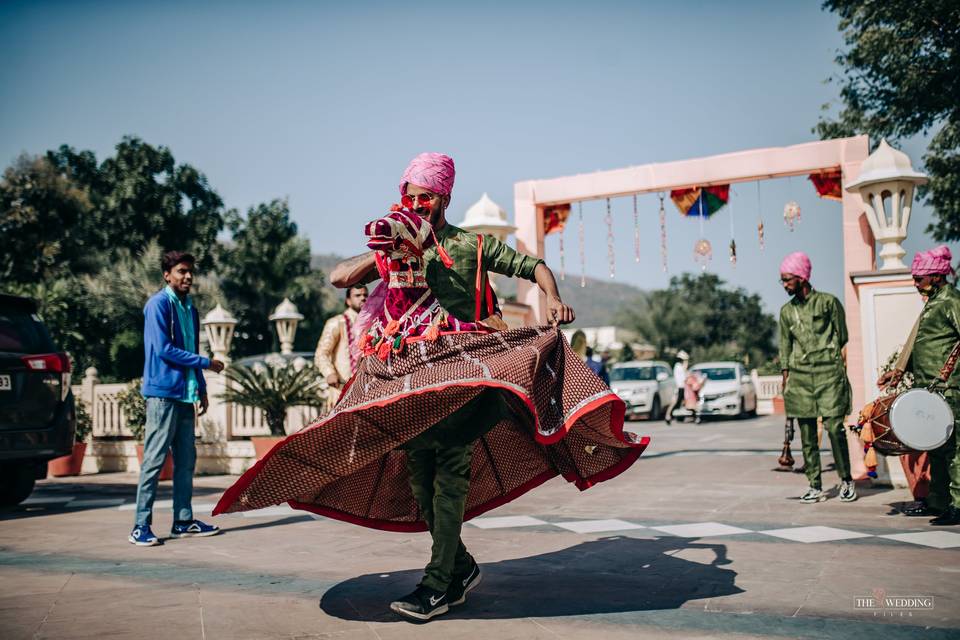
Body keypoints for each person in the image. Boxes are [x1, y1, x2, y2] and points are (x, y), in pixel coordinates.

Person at [213, 152, 646, 622]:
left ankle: (438, 584)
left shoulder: (471, 245)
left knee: (449, 468)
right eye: (410, 196)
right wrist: (390, 245)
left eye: (426, 197)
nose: (417, 203)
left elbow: (534, 267)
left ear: (445, 198)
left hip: (463, 374)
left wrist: (555, 299)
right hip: (413, 376)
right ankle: (459, 566)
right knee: (419, 474)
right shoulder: (398, 245)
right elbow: (339, 276)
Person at [129, 251, 225, 546]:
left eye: (190, 272)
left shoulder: (190, 309)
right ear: (167, 274)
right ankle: (140, 526)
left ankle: (183, 520)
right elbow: (164, 349)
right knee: (155, 460)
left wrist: (203, 389)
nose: (188, 277)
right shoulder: (158, 305)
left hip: (185, 395)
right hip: (162, 395)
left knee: (186, 461)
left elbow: (189, 346)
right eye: (182, 271)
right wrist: (205, 363)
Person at [878, 246, 960, 526]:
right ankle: (938, 501)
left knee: (954, 448)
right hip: (931, 390)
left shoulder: (951, 300)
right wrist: (899, 371)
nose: (915, 284)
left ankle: (958, 505)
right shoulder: (934, 303)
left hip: (950, 389)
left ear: (936, 276)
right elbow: (919, 344)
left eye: (919, 279)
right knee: (936, 446)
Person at [778, 251, 856, 504]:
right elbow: (785, 347)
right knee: (808, 434)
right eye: (782, 280)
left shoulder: (828, 303)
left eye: (788, 279)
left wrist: (829, 354)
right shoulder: (786, 312)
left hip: (829, 374)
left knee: (834, 428)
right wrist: (786, 378)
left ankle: (846, 480)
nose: (785, 284)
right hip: (800, 378)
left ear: (802, 277)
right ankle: (815, 485)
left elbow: (841, 335)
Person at [315, 285, 368, 409]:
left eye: (365, 295)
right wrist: (329, 373)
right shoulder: (336, 323)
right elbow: (321, 353)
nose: (363, 298)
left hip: (366, 391)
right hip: (340, 390)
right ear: (348, 301)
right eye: (358, 295)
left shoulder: (372, 323)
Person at [665, 350, 689, 425]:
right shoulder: (678, 366)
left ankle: (676, 416)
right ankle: (668, 416)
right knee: (674, 402)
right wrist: (686, 360)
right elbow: (685, 372)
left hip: (681, 386)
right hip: (679, 386)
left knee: (681, 402)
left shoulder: (678, 366)